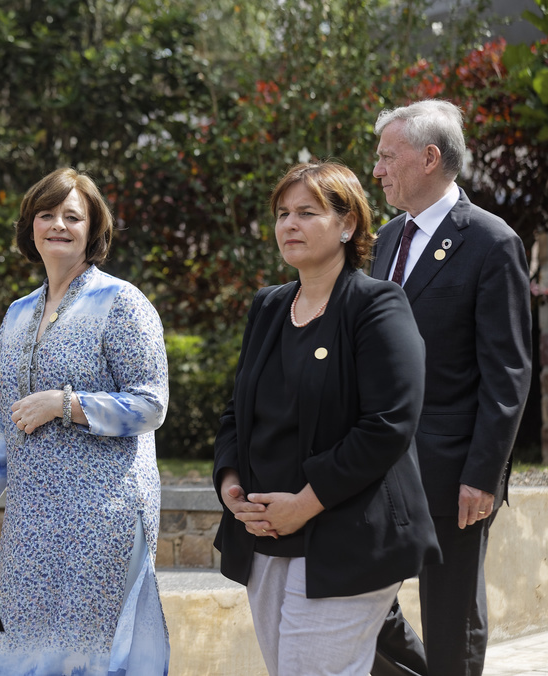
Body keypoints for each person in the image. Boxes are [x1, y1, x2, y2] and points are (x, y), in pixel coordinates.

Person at [212, 162, 441, 676]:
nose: (289, 224)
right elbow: (237, 412)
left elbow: (388, 424)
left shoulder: (378, 304)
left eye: (307, 213)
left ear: (347, 225)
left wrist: (305, 504)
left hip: (350, 532)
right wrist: (230, 484)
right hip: (267, 533)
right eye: (282, 214)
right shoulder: (269, 307)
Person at [0, 167, 170, 675]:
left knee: (88, 658)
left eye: (72, 216)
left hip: (104, 512)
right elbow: (2, 416)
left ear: (93, 229)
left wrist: (66, 404)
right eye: (46, 214)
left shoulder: (122, 303)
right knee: (19, 650)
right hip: (33, 516)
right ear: (30, 227)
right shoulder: (16, 314)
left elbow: (151, 404)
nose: (58, 224)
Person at [370, 100, 532, 676]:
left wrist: (483, 475)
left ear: (429, 157)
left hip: (451, 469)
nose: (378, 169)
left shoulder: (492, 242)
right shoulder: (387, 238)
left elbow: (507, 373)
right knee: (363, 605)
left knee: (452, 612)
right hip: (375, 461)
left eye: (388, 156)